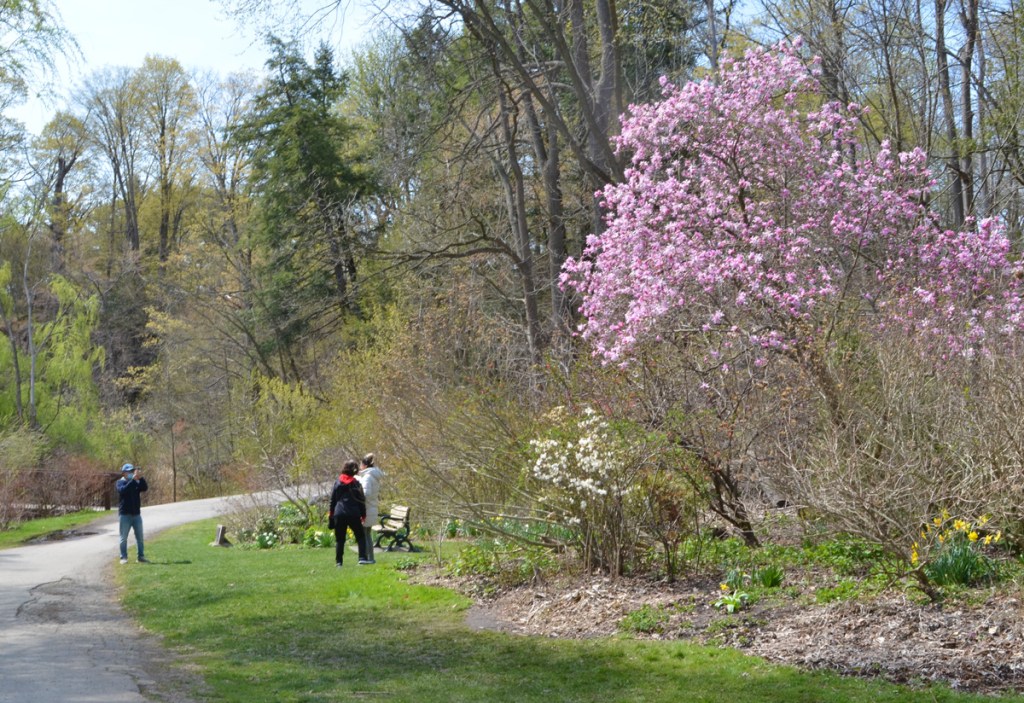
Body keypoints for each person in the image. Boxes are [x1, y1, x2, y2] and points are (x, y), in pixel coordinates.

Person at [329, 459, 370, 567]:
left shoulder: (337, 482)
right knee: (360, 536)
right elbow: (361, 500)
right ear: (355, 471)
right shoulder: (356, 484)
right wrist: (363, 514)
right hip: (353, 513)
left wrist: (331, 515)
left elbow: (332, 501)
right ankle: (362, 558)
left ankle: (339, 562)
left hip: (339, 513)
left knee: (340, 539)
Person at [116, 463, 149, 564]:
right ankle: (123, 557)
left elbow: (144, 488)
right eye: (129, 471)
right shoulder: (120, 482)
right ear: (124, 473)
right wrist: (133, 480)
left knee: (140, 537)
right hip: (125, 515)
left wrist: (141, 478)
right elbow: (123, 491)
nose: (131, 473)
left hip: (136, 515)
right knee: (123, 538)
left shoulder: (136, 482)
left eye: (132, 471)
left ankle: (141, 557)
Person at [356, 453, 385, 564]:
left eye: (361, 464)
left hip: (367, 508)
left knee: (364, 534)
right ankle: (370, 557)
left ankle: (368, 558)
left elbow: (366, 493)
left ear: (364, 465)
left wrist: (357, 497)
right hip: (372, 507)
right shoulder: (373, 476)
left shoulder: (367, 477)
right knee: (367, 533)